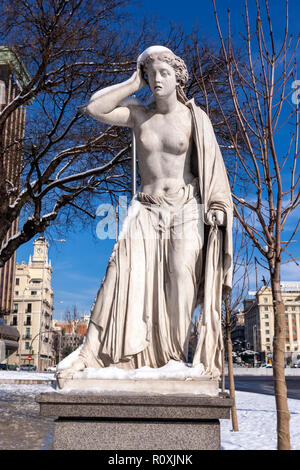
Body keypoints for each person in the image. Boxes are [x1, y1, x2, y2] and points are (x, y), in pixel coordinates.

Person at [57, 46, 233, 380]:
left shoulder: (194, 118)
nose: (157, 80)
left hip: (185, 207)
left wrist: (218, 207)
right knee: (121, 273)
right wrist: (131, 83)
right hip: (147, 209)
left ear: (177, 76)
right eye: (151, 75)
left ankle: (172, 356)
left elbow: (213, 169)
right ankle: (102, 350)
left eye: (164, 73)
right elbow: (94, 107)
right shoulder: (139, 114)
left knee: (181, 275)